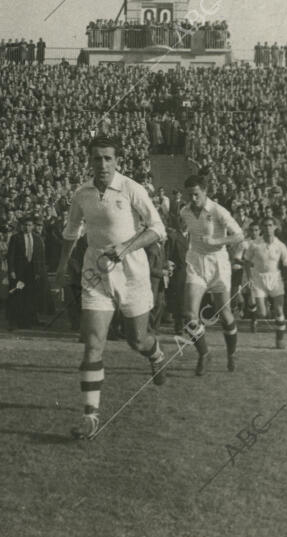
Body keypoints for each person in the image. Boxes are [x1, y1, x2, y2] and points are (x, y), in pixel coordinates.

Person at [56, 135, 168, 440]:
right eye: (96, 158)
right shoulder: (82, 194)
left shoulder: (132, 188)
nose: (102, 164)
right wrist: (63, 266)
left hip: (132, 273)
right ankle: (90, 416)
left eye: (108, 158)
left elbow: (158, 229)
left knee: (137, 340)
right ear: (89, 161)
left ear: (118, 160)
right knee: (93, 343)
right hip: (96, 273)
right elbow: (71, 232)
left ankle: (155, 354)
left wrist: (127, 246)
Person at [180, 174, 244, 375]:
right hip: (196, 262)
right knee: (189, 314)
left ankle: (231, 353)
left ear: (205, 192)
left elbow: (239, 235)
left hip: (218, 263)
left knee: (224, 314)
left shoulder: (218, 210)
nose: (193, 199)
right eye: (189, 195)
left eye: (196, 194)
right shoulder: (184, 211)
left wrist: (215, 241)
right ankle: (204, 354)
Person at [243, 218, 287, 349]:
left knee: (279, 311)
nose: (268, 228)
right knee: (262, 314)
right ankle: (262, 306)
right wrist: (249, 278)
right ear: (262, 228)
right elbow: (246, 261)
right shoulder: (255, 244)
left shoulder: (280, 245)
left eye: (270, 225)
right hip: (258, 279)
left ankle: (280, 339)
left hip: (275, 279)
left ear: (275, 228)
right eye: (265, 225)